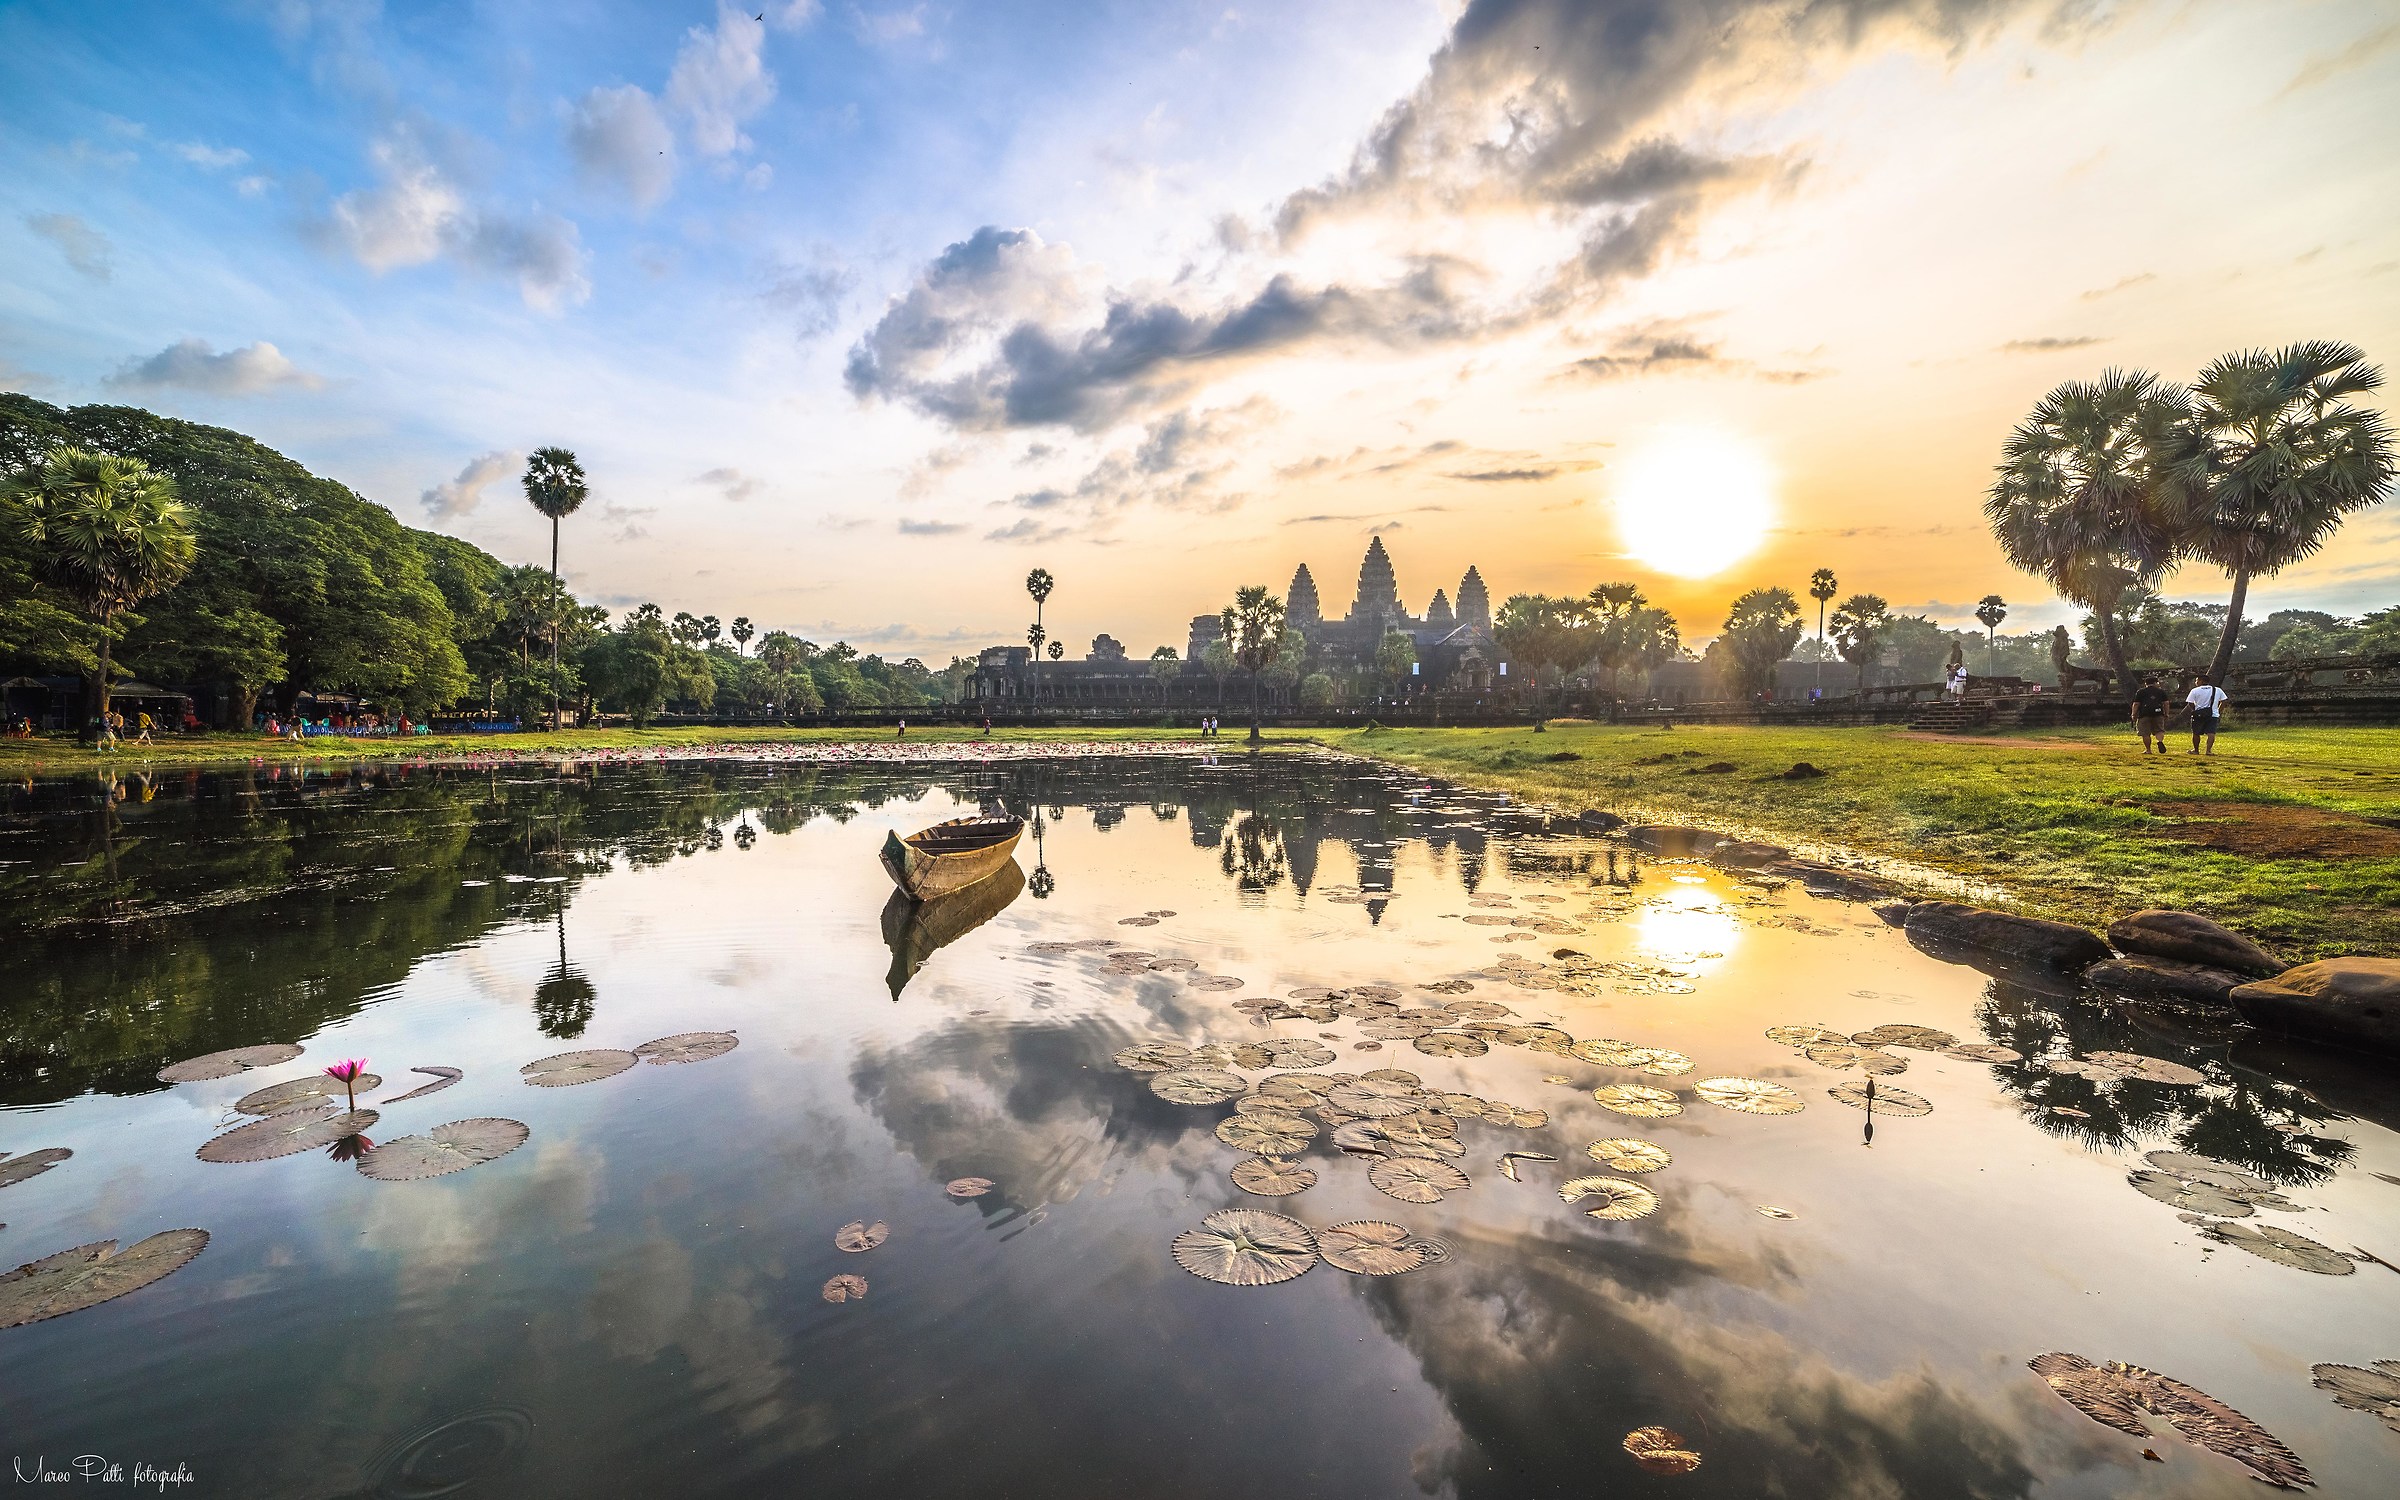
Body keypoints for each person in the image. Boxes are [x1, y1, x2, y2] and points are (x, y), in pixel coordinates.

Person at [2185, 673, 2229, 756]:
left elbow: (2190, 702)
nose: (2196, 682)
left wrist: (2195, 709)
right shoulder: (2217, 690)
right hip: (2213, 714)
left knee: (2196, 733)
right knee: (2211, 733)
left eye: (2197, 680)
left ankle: (2196, 750)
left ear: (2201, 681)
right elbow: (2224, 701)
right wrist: (2218, 711)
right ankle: (2208, 751)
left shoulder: (2195, 690)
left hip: (2199, 714)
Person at [2130, 674, 2171, 754]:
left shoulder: (2141, 692)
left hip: (2144, 714)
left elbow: (2136, 704)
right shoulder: (2160, 692)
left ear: (2146, 684)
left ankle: (2148, 750)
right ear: (2155, 683)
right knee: (2159, 730)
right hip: (2158, 713)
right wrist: (2166, 713)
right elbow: (2166, 703)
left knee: (2145, 733)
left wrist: (2133, 714)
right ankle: (2159, 741)